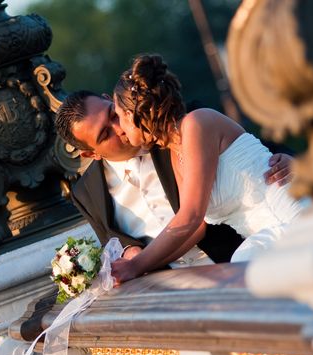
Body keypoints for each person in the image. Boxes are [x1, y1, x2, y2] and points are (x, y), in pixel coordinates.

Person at [108, 54, 306, 283]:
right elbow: (195, 228)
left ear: (133, 115)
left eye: (119, 116)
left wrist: (134, 265)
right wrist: (145, 267)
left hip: (287, 213)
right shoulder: (175, 155)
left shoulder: (197, 123)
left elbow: (190, 216)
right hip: (262, 234)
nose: (118, 128)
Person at [55, 90, 293, 267]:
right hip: (170, 294)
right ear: (91, 153)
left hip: (235, 258)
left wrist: (295, 162)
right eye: (105, 134)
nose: (119, 128)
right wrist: (130, 255)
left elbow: (259, 153)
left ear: (113, 101)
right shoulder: (86, 193)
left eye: (112, 115)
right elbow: (114, 241)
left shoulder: (176, 126)